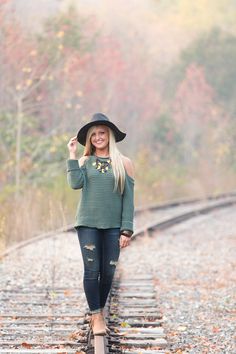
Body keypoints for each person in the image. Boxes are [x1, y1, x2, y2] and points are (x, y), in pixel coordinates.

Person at [66, 113, 135, 335]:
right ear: (90, 139)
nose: (98, 137)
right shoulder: (85, 162)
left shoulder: (124, 163)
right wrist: (72, 155)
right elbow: (74, 184)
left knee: (108, 272)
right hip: (88, 224)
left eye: (102, 133)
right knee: (91, 270)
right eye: (93, 134)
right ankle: (96, 316)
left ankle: (99, 311)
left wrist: (127, 229)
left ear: (110, 135)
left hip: (114, 225)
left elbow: (129, 198)